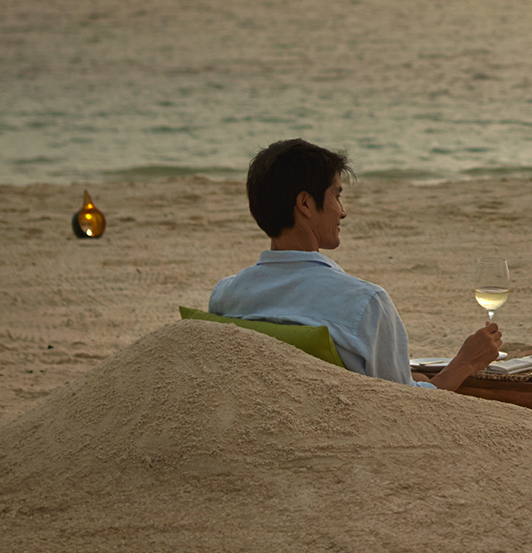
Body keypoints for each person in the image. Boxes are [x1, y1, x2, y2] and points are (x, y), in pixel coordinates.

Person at [209, 138, 501, 391]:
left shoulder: (226, 296)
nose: (343, 212)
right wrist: (465, 363)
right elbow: (407, 404)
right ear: (306, 204)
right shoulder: (365, 305)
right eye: (336, 195)